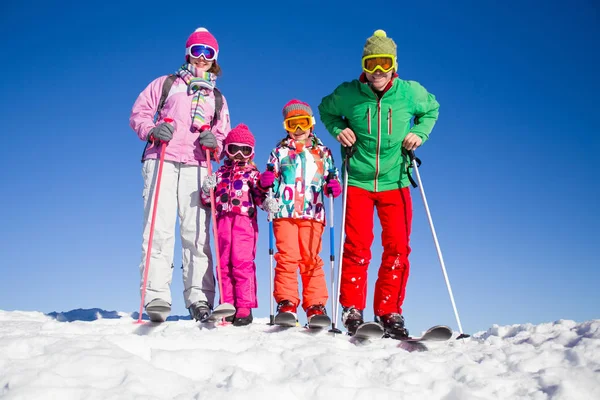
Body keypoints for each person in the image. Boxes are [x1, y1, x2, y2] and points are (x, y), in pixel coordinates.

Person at [317, 29, 440, 337]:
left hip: (396, 180)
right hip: (358, 180)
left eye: (384, 63)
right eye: (372, 63)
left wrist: (420, 134)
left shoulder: (410, 92)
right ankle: (352, 310)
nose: (378, 71)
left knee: (397, 248)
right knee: (357, 248)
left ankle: (389, 311)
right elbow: (326, 110)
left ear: (394, 64)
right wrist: (338, 130)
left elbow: (432, 109)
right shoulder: (348, 93)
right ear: (364, 64)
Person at [129, 27, 231, 322]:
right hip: (161, 159)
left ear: (214, 59)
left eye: (208, 53)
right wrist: (151, 130)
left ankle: (199, 297)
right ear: (188, 53)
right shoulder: (167, 84)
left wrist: (216, 142)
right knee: (158, 229)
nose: (201, 58)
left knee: (197, 234)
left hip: (199, 164)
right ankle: (156, 295)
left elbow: (222, 133)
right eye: (197, 51)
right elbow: (140, 112)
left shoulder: (218, 98)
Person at [259, 100, 342, 326]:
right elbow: (270, 178)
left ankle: (315, 306)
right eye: (292, 124)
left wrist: (333, 186)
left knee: (310, 259)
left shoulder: (322, 152)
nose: (297, 130)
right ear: (286, 126)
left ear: (311, 124)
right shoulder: (279, 152)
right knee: (287, 257)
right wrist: (266, 184)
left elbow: (331, 176)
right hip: (284, 212)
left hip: (312, 212)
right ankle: (286, 302)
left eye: (302, 123)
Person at [200, 123, 268, 326]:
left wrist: (267, 197)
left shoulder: (253, 174)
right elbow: (206, 200)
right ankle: (227, 304)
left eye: (244, 150)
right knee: (224, 263)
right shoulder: (219, 174)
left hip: (244, 221)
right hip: (222, 220)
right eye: (234, 149)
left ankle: (244, 307)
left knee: (242, 262)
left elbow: (261, 198)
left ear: (251, 153)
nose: (239, 154)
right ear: (227, 150)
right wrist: (207, 189)